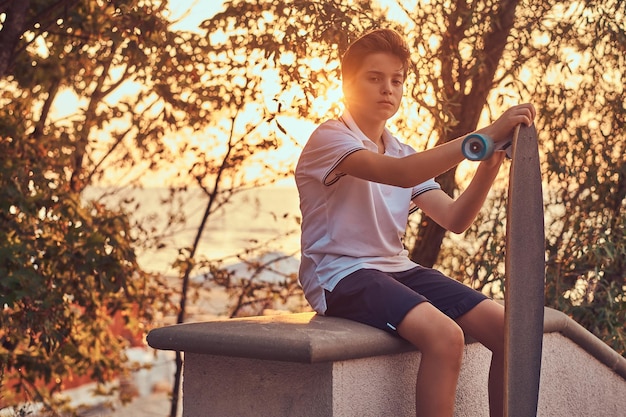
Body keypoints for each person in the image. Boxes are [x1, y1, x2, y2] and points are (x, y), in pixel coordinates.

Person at [295, 28, 536, 417]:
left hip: (395, 269)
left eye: (396, 80)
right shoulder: (330, 140)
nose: (387, 89)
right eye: (374, 78)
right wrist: (484, 135)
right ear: (346, 84)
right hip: (340, 275)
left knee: (510, 333)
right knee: (445, 337)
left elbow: (454, 219)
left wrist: (488, 165)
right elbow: (402, 174)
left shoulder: (402, 150)